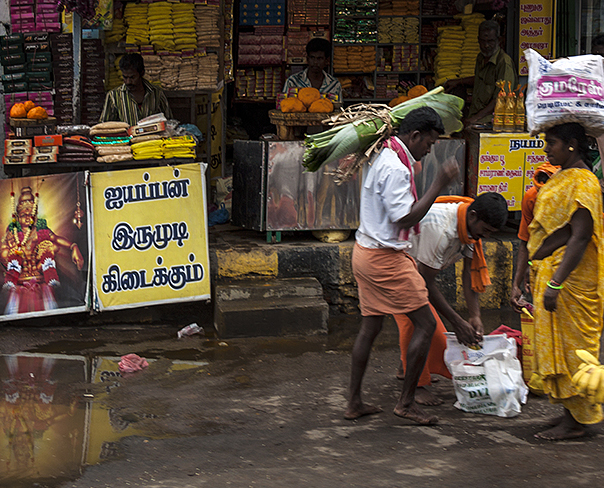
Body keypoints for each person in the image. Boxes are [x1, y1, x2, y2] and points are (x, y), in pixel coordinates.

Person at [346, 106, 461, 426]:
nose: (430, 148)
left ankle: (354, 402)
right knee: (425, 324)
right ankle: (407, 402)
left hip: (365, 252)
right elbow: (405, 216)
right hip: (385, 259)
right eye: (430, 142)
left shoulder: (383, 154)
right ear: (414, 135)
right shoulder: (396, 167)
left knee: (370, 328)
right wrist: (438, 183)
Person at [526, 122, 604, 440]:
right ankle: (569, 413)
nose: (547, 149)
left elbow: (580, 236)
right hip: (555, 274)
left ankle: (579, 422)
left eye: (552, 143)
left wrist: (556, 282)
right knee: (557, 348)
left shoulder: (584, 182)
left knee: (576, 351)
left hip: (572, 281)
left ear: (572, 145)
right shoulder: (563, 177)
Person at [397, 192, 509, 405]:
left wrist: (475, 315)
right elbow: (425, 282)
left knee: (423, 325)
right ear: (474, 216)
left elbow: (468, 274)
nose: (483, 237)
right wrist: (457, 322)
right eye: (485, 231)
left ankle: (406, 368)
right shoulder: (441, 229)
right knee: (422, 325)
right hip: (398, 263)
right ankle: (416, 385)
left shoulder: (470, 228)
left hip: (417, 270)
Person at [0, 187, 84, 314]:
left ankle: (51, 275)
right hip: (17, 283)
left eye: (30, 215)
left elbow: (56, 239)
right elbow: (3, 250)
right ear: (17, 216)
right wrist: (8, 251)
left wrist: (73, 246)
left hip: (41, 279)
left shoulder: (40, 230)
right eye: (23, 215)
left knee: (47, 244)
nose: (27, 218)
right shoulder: (13, 232)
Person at [444, 20, 516, 126]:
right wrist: (459, 81)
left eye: (490, 41)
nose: (486, 45)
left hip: (492, 120)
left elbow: (501, 98)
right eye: (483, 41)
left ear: (499, 40)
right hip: (477, 115)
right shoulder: (481, 58)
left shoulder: (504, 63)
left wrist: (475, 118)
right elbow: (481, 79)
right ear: (478, 40)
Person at [510, 162, 559, 311]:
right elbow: (526, 242)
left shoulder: (575, 197)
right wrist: (516, 285)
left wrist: (555, 283)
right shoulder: (531, 198)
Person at [100, 53, 173, 126]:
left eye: (132, 77)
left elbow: (169, 121)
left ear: (142, 73)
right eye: (125, 77)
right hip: (126, 137)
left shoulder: (157, 93)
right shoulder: (114, 96)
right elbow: (104, 125)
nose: (128, 82)